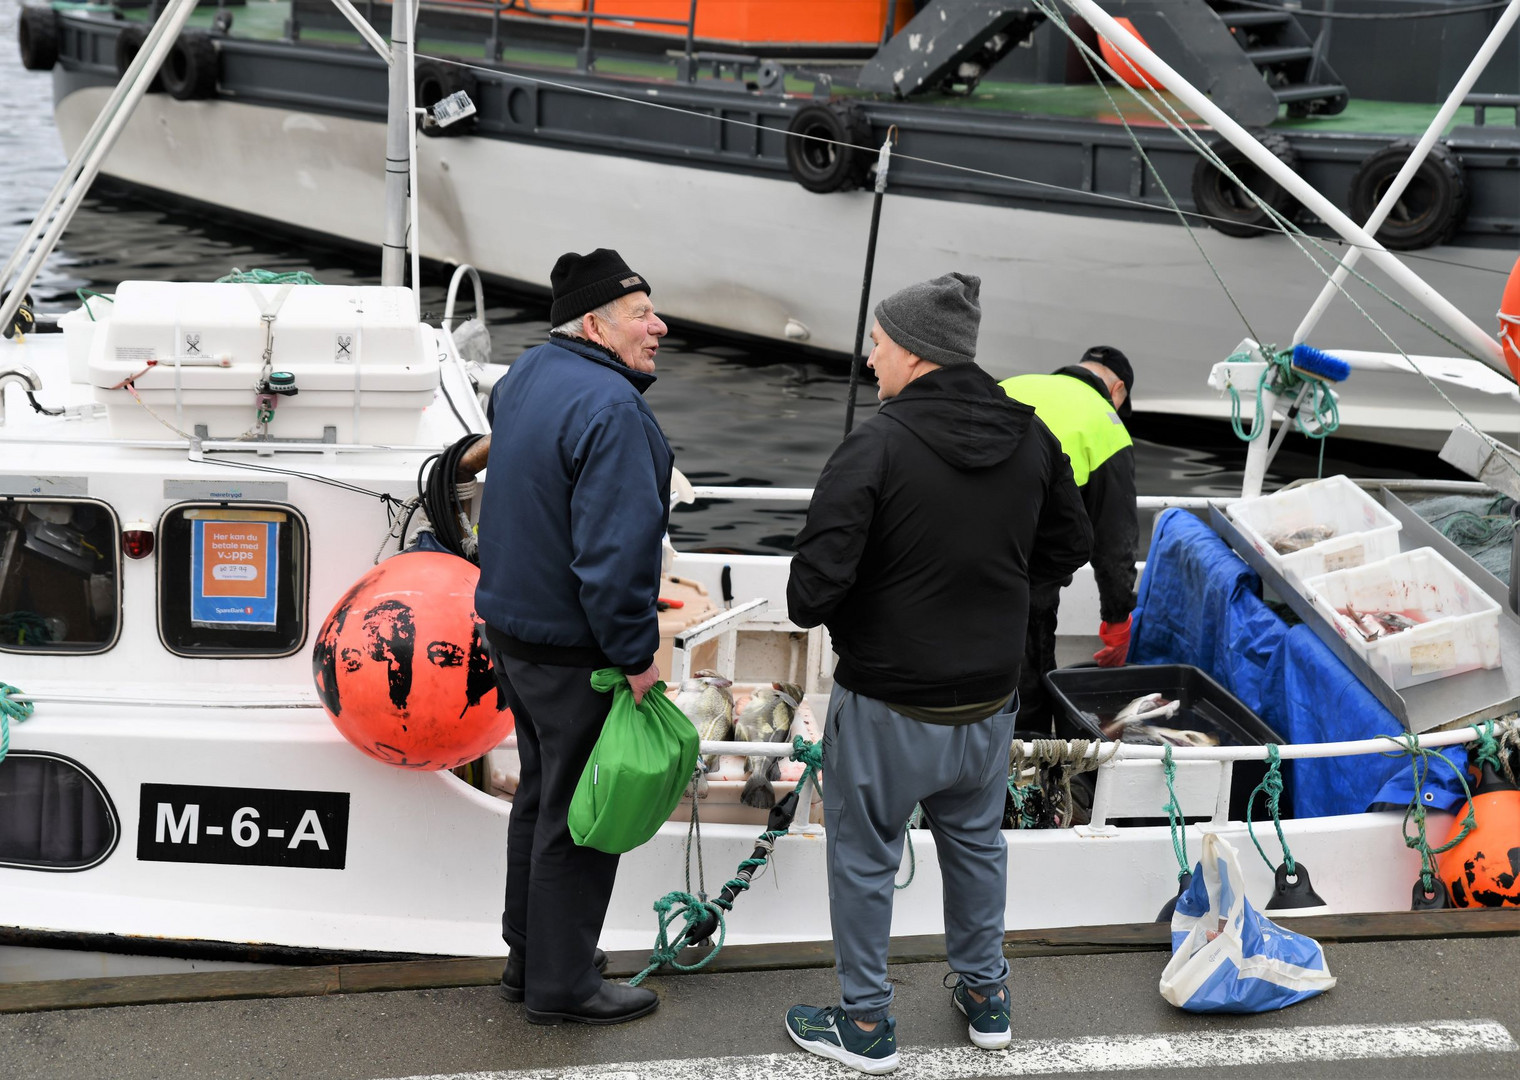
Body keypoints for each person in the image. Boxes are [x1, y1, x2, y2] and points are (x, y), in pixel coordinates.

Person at [783, 273, 1093, 1074]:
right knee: (976, 845)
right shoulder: (1031, 435)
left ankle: (864, 1024)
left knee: (863, 856)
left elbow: (809, 596)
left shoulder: (877, 443)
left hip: (889, 699)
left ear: (914, 352)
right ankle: (987, 997)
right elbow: (1069, 546)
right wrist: (994, 589)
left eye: (878, 345)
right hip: (989, 699)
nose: (870, 359)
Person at [474, 248, 671, 1027]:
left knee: (539, 798)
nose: (659, 326)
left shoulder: (526, 375)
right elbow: (613, 557)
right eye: (641, 315)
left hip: (513, 630)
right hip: (572, 645)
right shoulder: (614, 409)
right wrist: (636, 657)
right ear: (596, 323)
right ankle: (563, 986)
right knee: (583, 814)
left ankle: (529, 959)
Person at [999, 346, 1139, 734]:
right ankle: (1024, 776)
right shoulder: (1106, 422)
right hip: (1025, 567)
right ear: (1118, 391)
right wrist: (1117, 619)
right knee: (1028, 681)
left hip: (950, 543)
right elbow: (1115, 541)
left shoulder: (1013, 384)